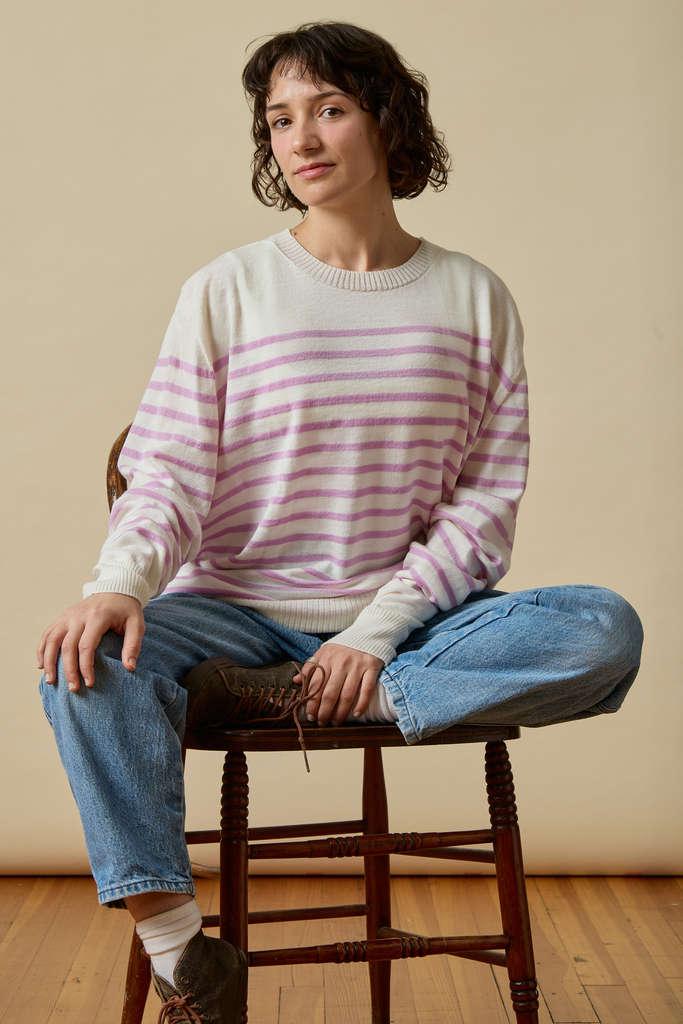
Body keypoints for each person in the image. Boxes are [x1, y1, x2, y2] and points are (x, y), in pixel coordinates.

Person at [37, 21, 643, 1024]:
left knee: (602, 627)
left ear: (385, 120)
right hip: (231, 613)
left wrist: (372, 634)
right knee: (84, 659)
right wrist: (120, 582)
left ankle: (320, 693)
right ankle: (188, 957)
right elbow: (170, 470)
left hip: (401, 623)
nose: (301, 139)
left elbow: (481, 513)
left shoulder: (472, 299)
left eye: (328, 108)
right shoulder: (227, 290)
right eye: (278, 119)